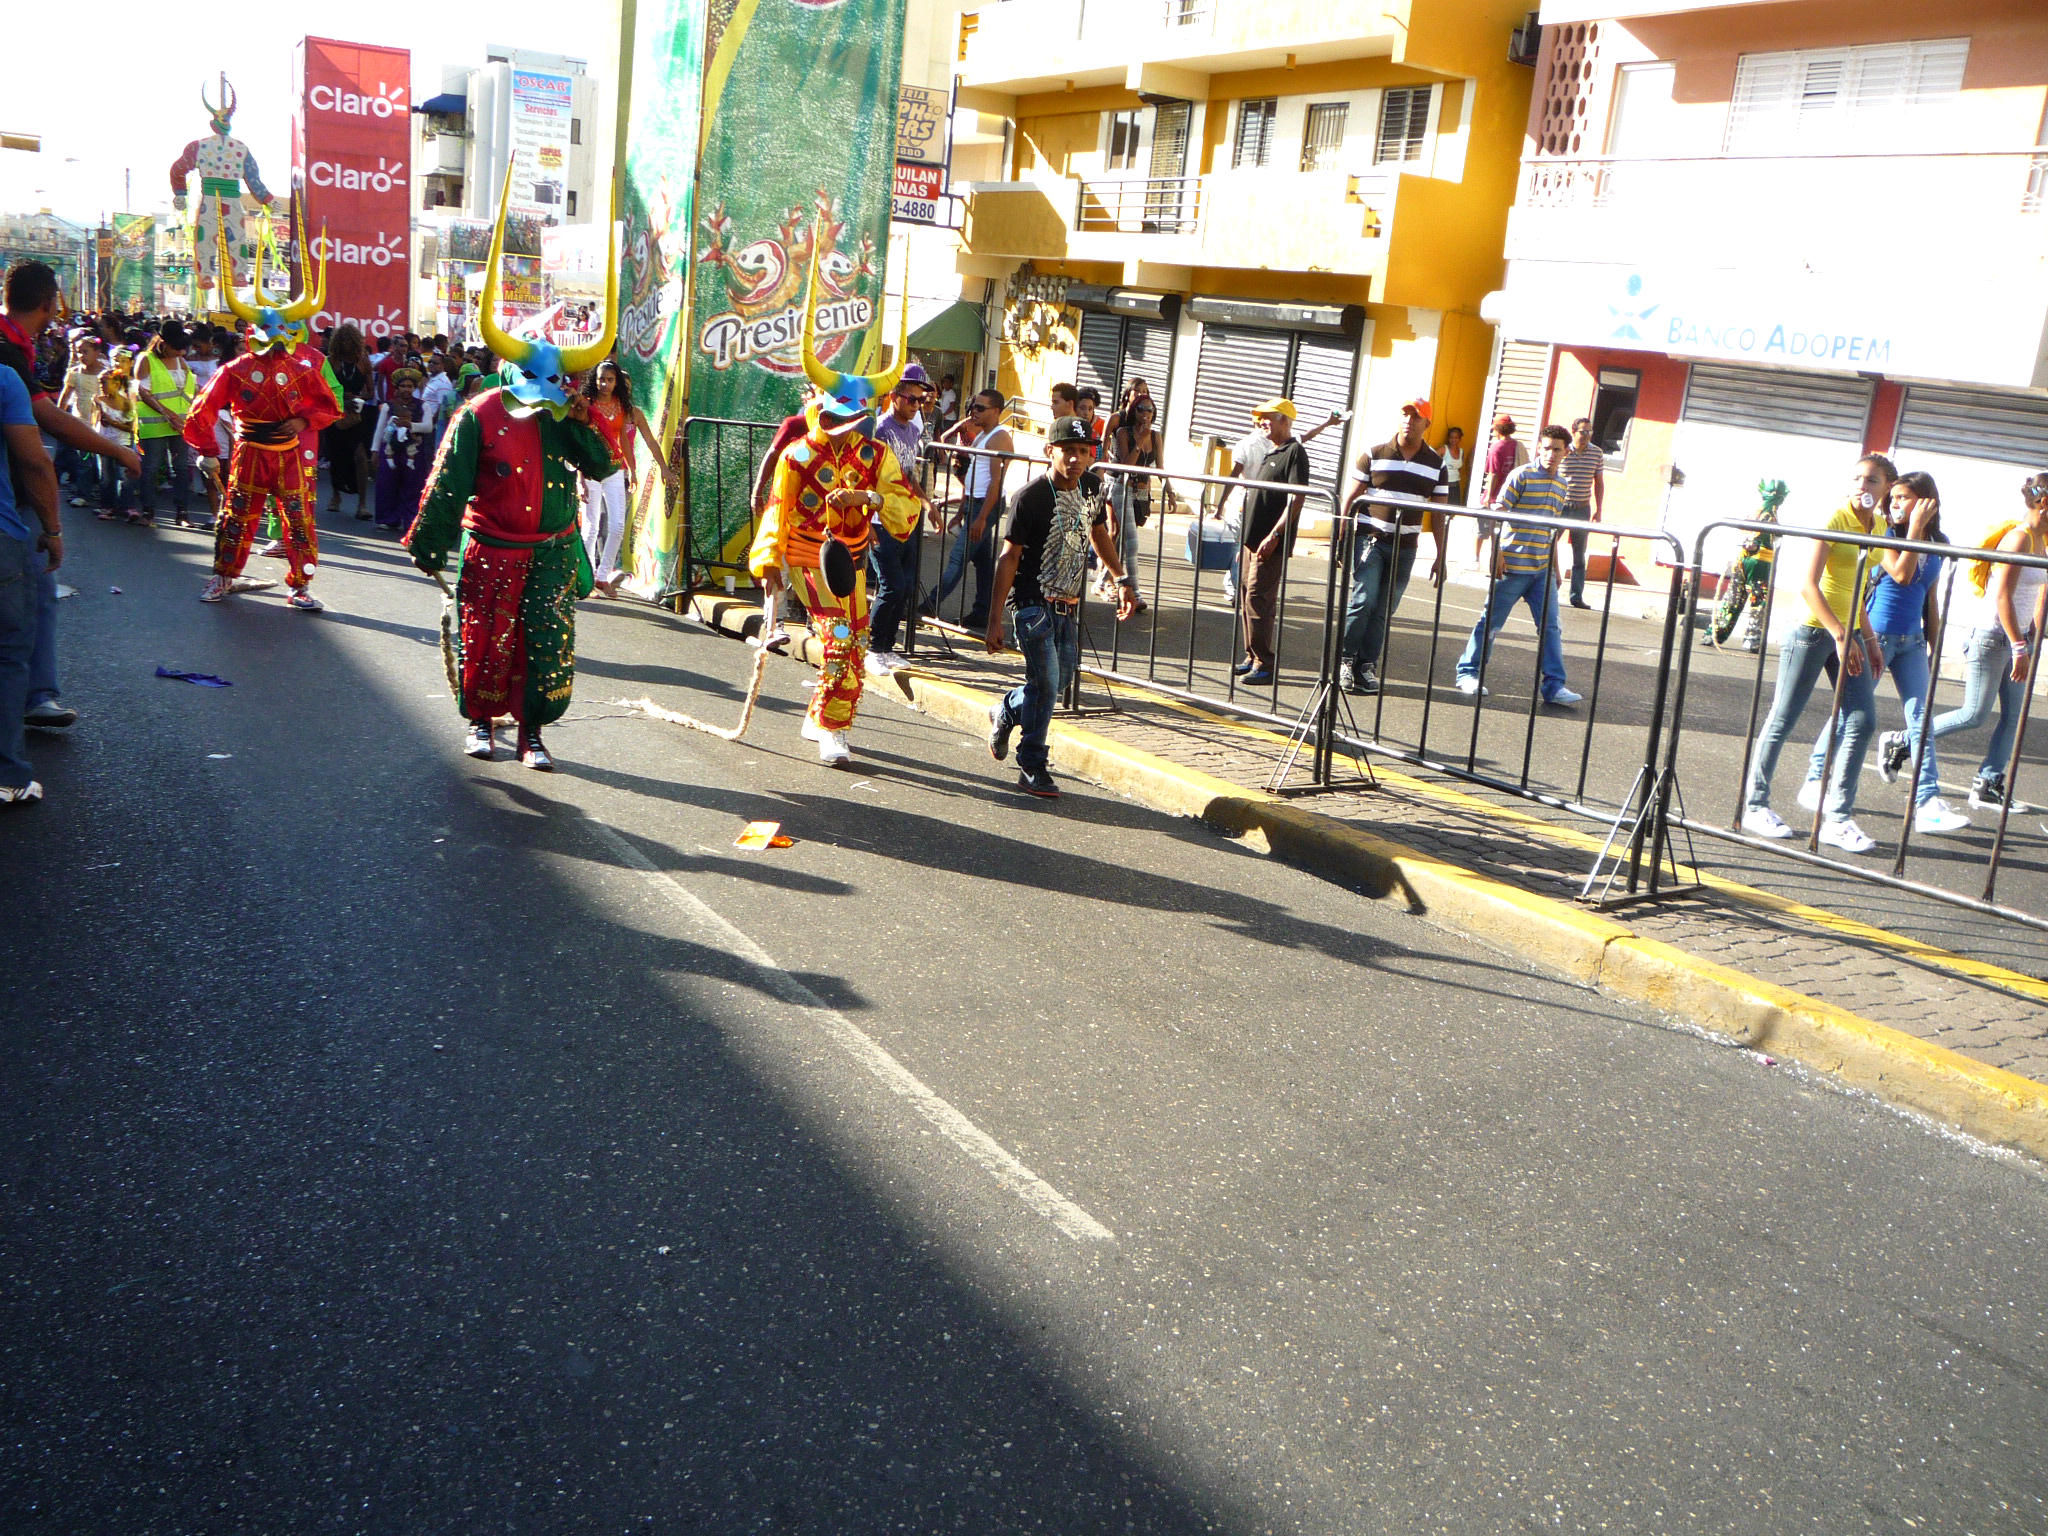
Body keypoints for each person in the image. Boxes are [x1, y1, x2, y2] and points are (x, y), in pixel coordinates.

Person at [406, 185, 619, 770]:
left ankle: (532, 735)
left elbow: (603, 465)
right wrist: (431, 543)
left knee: (544, 648)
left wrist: (581, 416)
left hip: (550, 550)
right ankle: (480, 724)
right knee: (485, 640)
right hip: (493, 548)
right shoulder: (478, 414)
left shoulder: (564, 416)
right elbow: (447, 484)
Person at [748, 258, 920, 768]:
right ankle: (831, 729)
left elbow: (904, 503)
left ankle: (818, 713)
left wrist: (869, 500)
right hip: (808, 556)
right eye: (838, 417)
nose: (848, 428)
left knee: (859, 639)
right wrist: (771, 565)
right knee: (841, 642)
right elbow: (777, 512)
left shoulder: (875, 455)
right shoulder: (798, 457)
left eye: (856, 419)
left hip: (855, 560)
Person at [1741, 455, 1891, 853]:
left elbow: (1857, 589)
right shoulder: (1835, 518)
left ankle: (1837, 818)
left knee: (1861, 720)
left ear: (1886, 488)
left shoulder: (1878, 525)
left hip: (1849, 632)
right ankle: (1754, 805)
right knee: (1783, 719)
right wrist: (1840, 635)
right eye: (1857, 478)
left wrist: (1869, 640)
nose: (1863, 486)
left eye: (1872, 480)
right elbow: (1807, 584)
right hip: (1813, 631)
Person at [1805, 472, 1968, 836]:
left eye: (1904, 498)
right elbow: (1903, 575)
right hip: (1875, 636)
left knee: (1921, 719)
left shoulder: (1938, 542)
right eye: (1892, 497)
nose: (1894, 504)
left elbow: (1929, 596)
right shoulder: (1886, 536)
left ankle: (1927, 801)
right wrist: (1914, 529)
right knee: (1851, 713)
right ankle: (1817, 776)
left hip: (1911, 639)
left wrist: (1934, 644)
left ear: (1926, 501)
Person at [185, 234, 342, 610]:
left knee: (300, 524)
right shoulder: (236, 370)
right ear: (252, 334)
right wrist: (208, 451)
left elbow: (328, 406)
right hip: (249, 454)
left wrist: (303, 423)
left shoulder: (303, 369)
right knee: (235, 519)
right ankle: (223, 578)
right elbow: (201, 412)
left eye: (282, 333)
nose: (275, 341)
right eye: (268, 333)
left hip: (289, 456)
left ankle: (300, 587)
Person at [984, 416, 1137, 798]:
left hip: (1070, 605)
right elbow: (1009, 557)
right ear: (1049, 451)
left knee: (1055, 682)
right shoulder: (1030, 497)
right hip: (1033, 604)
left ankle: (1006, 709)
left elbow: (1098, 531)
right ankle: (1032, 762)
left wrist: (1120, 579)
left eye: (1083, 452)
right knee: (1048, 683)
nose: (1075, 459)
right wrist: (995, 620)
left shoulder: (1092, 487)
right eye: (1068, 451)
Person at [1928, 470, 2048, 813]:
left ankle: (1987, 784)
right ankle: (1904, 741)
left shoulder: (2043, 538)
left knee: (2014, 716)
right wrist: (2019, 645)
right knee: (1974, 714)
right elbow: (2002, 598)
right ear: (2044, 502)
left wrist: (2032, 634)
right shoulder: (2019, 538)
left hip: (2016, 638)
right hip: (1993, 638)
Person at [1453, 424, 1583, 708]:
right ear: (1539, 447)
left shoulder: (1562, 484)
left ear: (1566, 452)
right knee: (1490, 622)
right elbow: (1498, 511)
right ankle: (1468, 674)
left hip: (1542, 570)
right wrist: (1496, 551)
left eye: (1556, 449)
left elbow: (1553, 530)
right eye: (1546, 448)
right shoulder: (1521, 475)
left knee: (1551, 628)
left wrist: (1556, 568)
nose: (1550, 454)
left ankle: (1554, 686)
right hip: (1512, 564)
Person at [1338, 398, 1450, 695]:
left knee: (1384, 609)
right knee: (1363, 600)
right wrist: (1340, 531)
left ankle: (1366, 664)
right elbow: (1351, 496)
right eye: (1405, 414)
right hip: (1370, 539)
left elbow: (1439, 514)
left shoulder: (1437, 466)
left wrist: (1441, 554)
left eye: (1416, 417)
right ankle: (1345, 660)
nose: (1409, 421)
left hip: (1406, 546)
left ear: (1427, 424)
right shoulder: (1374, 454)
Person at [0, 363, 60, 803]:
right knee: (6, 657)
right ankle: (8, 778)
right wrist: (52, 530)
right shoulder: (4, 378)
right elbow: (34, 460)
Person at [1232, 399, 1311, 687]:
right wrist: (1247, 542)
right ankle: (1251, 655)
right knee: (1245, 596)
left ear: (1285, 421)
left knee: (1258, 599)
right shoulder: (1271, 451)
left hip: (1270, 542)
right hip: (1251, 541)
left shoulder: (1294, 453)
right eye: (1260, 419)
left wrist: (1274, 536)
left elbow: (1296, 499)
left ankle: (1264, 663)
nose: (1262, 423)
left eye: (1268, 418)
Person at [579, 360, 672, 597]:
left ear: (616, 383)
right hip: (589, 469)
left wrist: (632, 469)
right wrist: (579, 477)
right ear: (594, 380)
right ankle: (586, 578)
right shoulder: (586, 405)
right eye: (601, 379)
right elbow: (577, 441)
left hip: (614, 471)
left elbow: (625, 443)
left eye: (610, 380)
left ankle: (602, 576)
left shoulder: (623, 409)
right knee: (590, 528)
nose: (605, 384)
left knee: (618, 526)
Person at [923, 388, 1011, 627]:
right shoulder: (984, 434)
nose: (974, 411)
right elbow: (974, 477)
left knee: (957, 558)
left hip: (985, 505)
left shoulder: (1000, 437)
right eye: (973, 406)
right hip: (976, 503)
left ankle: (929, 605)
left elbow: (996, 481)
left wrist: (981, 518)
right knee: (983, 562)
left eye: (980, 408)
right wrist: (962, 511)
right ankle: (982, 612)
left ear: (996, 411)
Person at [866, 361, 932, 673]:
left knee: (904, 585)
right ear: (894, 396)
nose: (916, 405)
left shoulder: (913, 429)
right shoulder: (879, 429)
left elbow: (909, 471)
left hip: (905, 517)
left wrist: (925, 501)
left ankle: (887, 646)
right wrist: (866, 522)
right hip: (880, 518)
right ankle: (874, 648)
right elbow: (865, 475)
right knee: (890, 584)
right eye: (911, 399)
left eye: (921, 400)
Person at [132, 321, 196, 528]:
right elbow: (142, 391)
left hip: (180, 425)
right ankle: (148, 511)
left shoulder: (181, 361)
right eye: (176, 348)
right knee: (150, 468)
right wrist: (167, 414)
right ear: (164, 344)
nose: (180, 352)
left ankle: (182, 513)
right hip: (154, 425)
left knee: (181, 468)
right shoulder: (146, 359)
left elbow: (187, 391)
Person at [1101, 393, 1162, 610]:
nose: (1146, 414)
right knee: (1132, 542)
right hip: (1120, 486)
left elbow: (1160, 467)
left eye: (1150, 410)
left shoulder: (1156, 436)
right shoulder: (1122, 433)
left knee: (1121, 537)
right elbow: (1126, 465)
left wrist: (1169, 489)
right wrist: (1140, 441)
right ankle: (1135, 593)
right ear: (1133, 411)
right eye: (1141, 409)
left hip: (1141, 491)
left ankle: (1102, 580)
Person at [321, 323, 373, 518]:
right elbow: (324, 390)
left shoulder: (363, 362)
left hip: (356, 414)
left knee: (360, 455)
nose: (346, 344)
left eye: (349, 340)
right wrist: (341, 399)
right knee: (336, 455)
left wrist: (358, 398)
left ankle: (362, 503)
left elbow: (370, 391)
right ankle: (335, 496)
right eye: (342, 340)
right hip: (334, 413)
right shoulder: (330, 362)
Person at [1559, 416, 1606, 609]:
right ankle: (1540, 588)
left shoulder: (1596, 453)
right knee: (1546, 547)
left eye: (1589, 431)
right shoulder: (1563, 451)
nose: (1586, 435)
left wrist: (1598, 509)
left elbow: (1599, 482)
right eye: (1583, 431)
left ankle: (1576, 596)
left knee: (1579, 555)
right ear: (1574, 432)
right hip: (1560, 506)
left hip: (1582, 508)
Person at [1482, 413, 1526, 506]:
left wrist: (1489, 496)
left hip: (1496, 495)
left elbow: (1493, 474)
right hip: (1512, 493)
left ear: (1497, 429)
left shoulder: (1496, 448)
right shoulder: (1517, 445)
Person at [1440, 424, 1466, 507]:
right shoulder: (1443, 449)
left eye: (1456, 437)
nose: (1453, 440)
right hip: (1444, 483)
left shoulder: (1461, 451)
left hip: (1455, 484)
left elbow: (1460, 468)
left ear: (1460, 439)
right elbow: (1433, 460)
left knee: (1454, 507)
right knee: (1443, 508)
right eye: (1451, 437)